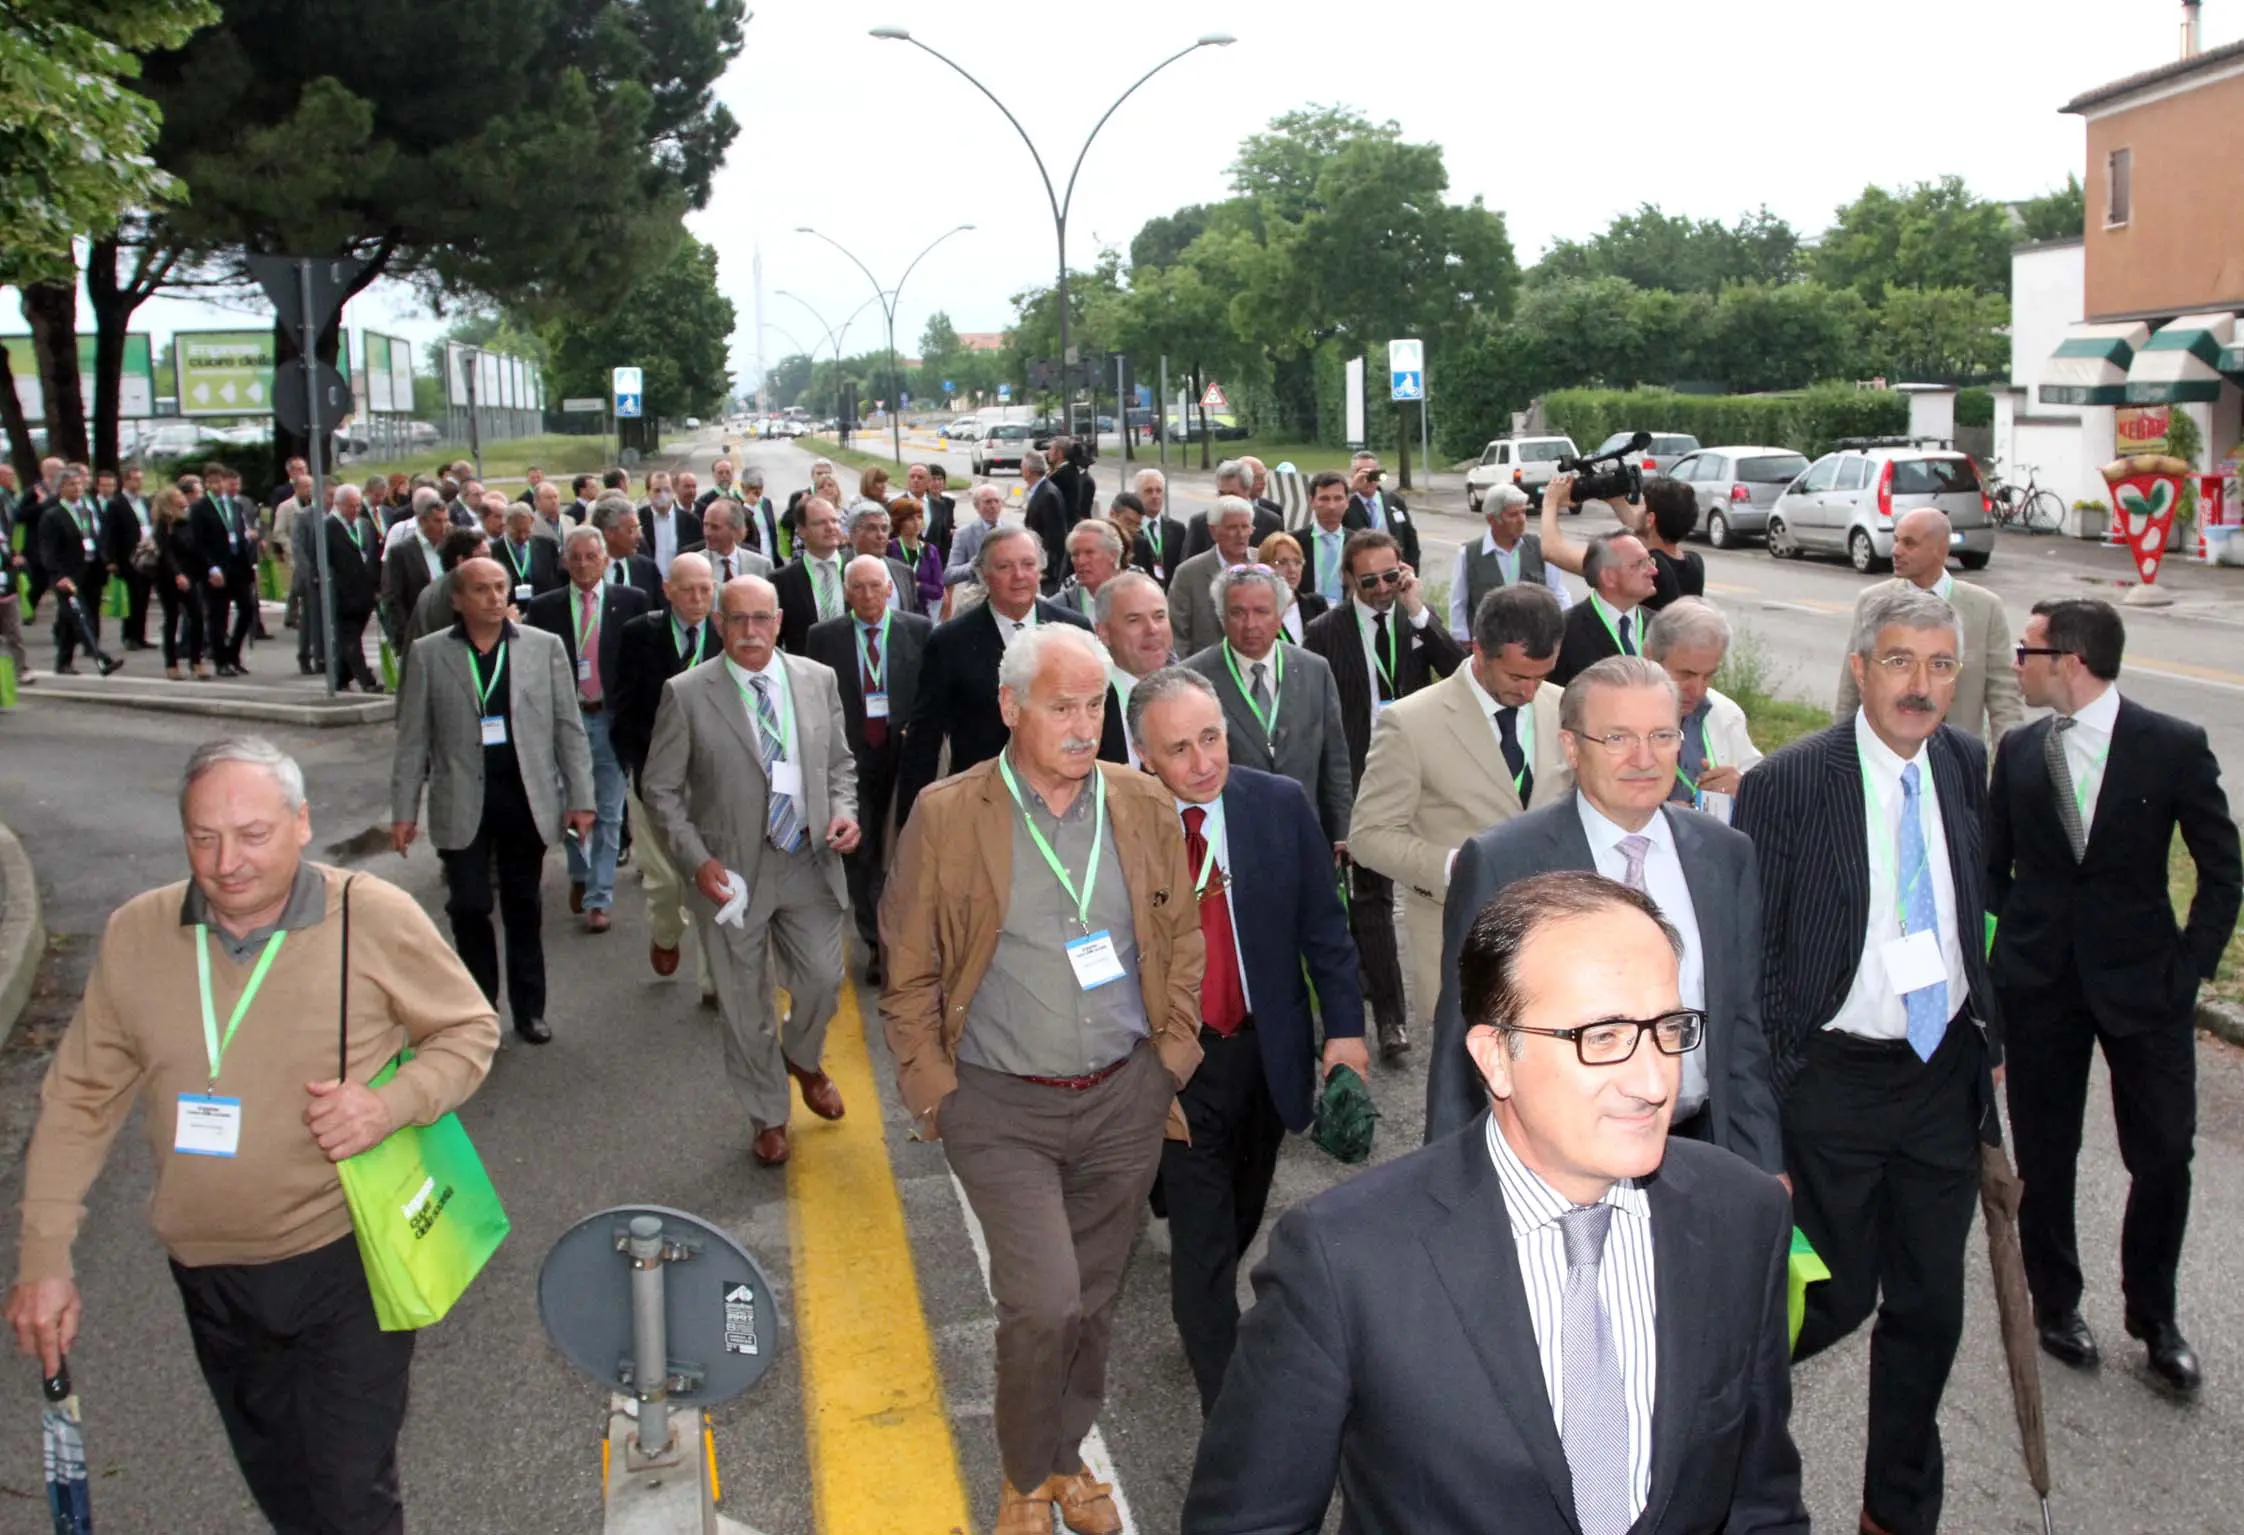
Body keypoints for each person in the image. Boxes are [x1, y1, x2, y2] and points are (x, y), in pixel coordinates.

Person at [1184, 871, 1807, 1535]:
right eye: (1603, 1037)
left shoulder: (1743, 1216)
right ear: (1496, 1057)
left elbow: (1760, 1503)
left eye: (1668, 1028)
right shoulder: (1345, 1261)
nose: (1654, 1081)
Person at [5, 736, 501, 1535]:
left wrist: (389, 1103)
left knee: (349, 1499)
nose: (226, 860)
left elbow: (469, 1030)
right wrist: (44, 1259)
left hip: (345, 1263)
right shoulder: (138, 933)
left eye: (253, 834)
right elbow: (79, 1099)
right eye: (204, 837)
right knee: (287, 1493)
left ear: (302, 823)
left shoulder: (366, 916)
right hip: (210, 1278)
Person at [879, 623, 1204, 1534]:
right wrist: (933, 1087)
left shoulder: (1141, 803)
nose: (1082, 722)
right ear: (1010, 708)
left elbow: (1180, 940)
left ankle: (1066, 1458)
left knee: (1094, 1302)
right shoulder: (950, 814)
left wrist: (1169, 1060)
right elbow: (904, 967)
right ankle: (1025, 1472)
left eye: (1095, 703)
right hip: (999, 1102)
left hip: (1123, 1099)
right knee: (1043, 1300)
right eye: (1063, 704)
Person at [1733, 586, 2000, 1535]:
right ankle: (1719, 1434)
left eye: (1937, 666)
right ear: (1859, 670)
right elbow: (1753, 956)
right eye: (1898, 661)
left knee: (1931, 1309)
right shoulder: (1790, 782)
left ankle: (1897, 1511)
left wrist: (1989, 1037)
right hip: (1832, 1081)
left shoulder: (1968, 764)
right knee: (1832, 1299)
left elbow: (1975, 907)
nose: (1920, 686)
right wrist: (1763, 1104)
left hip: (1939, 1076)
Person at [1992, 597, 2241, 1391]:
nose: (2017, 665)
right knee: (2047, 1153)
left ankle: (2155, 1315)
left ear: (2069, 658)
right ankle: (2055, 1301)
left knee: (2165, 1152)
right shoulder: (2020, 751)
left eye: (2027, 652)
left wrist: (2189, 968)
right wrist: (1998, 975)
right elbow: (1992, 874)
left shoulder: (2171, 745)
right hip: (2041, 986)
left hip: (2146, 987)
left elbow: (2221, 868)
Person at [1423, 654, 1782, 1174]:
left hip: (1705, 1146)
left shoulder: (1725, 855)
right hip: (1561, 1157)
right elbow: (1465, 1038)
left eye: (1662, 736)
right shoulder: (1506, 862)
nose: (1644, 758)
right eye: (1617, 738)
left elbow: (1744, 1026)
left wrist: (1764, 1161)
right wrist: (1455, 1184)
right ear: (1571, 747)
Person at [1127, 665, 1367, 1413]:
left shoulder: (1277, 804)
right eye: (1179, 749)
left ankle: (1202, 1304)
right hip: (1173, 1064)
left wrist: (1347, 1033)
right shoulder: (1117, 825)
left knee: (1238, 1212)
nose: (1202, 761)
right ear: (1142, 758)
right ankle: (1231, 1418)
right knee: (1201, 1254)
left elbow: (1325, 931)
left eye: (1211, 738)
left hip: (1267, 1055)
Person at [643, 573, 860, 1166]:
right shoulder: (686, 693)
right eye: (736, 619)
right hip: (730, 874)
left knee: (820, 979)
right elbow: (659, 790)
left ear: (779, 621)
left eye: (761, 618)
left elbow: (839, 764)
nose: (749, 631)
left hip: (807, 860)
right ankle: (768, 1114)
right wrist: (696, 859)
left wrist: (843, 813)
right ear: (718, 624)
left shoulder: (818, 681)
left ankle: (803, 1057)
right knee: (743, 1004)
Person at [1349, 583, 1574, 1054]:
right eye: (1517, 676)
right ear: (1478, 648)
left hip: (1555, 950)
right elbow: (1369, 836)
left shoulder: (1565, 707)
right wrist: (1455, 865)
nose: (1531, 691)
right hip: (1460, 951)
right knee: (1468, 1104)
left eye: (1542, 675)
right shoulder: (1410, 723)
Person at [392, 557, 596, 1045]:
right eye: (480, 589)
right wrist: (402, 811)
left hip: (525, 798)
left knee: (524, 905)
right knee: (468, 905)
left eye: (500, 588)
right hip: (461, 799)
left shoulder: (543, 648)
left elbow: (569, 727)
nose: (492, 598)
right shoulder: (427, 654)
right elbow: (412, 739)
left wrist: (581, 798)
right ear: (457, 600)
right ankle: (479, 1010)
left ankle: (530, 1011)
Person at [1301, 530, 1467, 1058]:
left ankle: (1456, 1005)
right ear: (1348, 578)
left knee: (1436, 888)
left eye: (1390, 577)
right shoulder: (1324, 632)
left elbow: (1461, 673)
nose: (1380, 589)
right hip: (1363, 779)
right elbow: (1320, 726)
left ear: (1405, 572)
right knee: (1370, 903)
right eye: (1368, 580)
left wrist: (1418, 610)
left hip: (1425, 776)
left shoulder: (1415, 619)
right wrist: (1335, 807)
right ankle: (1391, 1021)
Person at [896, 525, 1094, 828]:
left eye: (1028, 564)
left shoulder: (1075, 631)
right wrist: (913, 821)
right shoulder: (950, 642)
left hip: (1066, 805)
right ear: (984, 575)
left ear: (1040, 569)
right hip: (981, 807)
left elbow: (1100, 717)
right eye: (1004, 567)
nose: (1019, 576)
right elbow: (925, 736)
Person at [808, 555, 932, 987]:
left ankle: (901, 938)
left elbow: (929, 691)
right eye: (857, 587)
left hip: (903, 757)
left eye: (874, 586)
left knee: (898, 848)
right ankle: (875, 942)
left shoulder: (917, 629)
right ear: (846, 592)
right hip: (851, 756)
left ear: (889, 588)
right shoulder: (824, 638)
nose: (866, 595)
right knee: (859, 853)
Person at [525, 525, 650, 933]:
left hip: (609, 720)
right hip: (566, 722)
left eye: (590, 557)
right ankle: (579, 871)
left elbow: (637, 669)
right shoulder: (545, 609)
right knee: (569, 804)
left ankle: (599, 897)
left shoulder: (631, 602)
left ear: (604, 560)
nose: (582, 564)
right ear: (564, 561)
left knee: (610, 812)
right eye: (574, 557)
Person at [611, 553, 725, 996]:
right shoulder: (639, 635)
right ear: (668, 591)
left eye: (705, 589)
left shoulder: (725, 632)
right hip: (654, 780)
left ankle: (715, 979)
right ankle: (665, 932)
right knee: (665, 883)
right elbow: (624, 710)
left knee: (714, 874)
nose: (697, 599)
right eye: (688, 590)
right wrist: (642, 766)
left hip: (714, 780)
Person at [1182, 564, 1352, 848]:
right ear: (1221, 617)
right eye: (1238, 613)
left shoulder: (1314, 670)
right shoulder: (1194, 679)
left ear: (1281, 614)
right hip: (1230, 840)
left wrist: (1341, 832)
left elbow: (1334, 757)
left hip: (1305, 835)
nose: (1250, 625)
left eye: (1261, 611)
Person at [1834, 506, 2024, 744]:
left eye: (1909, 544)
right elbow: (1851, 688)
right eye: (1895, 541)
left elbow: (2004, 696)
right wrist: (1841, 751)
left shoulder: (1985, 608)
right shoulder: (1872, 602)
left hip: (1957, 762)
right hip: (1885, 754)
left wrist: (2011, 761)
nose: (1896, 551)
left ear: (1940, 550)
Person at [1644, 598, 1762, 823]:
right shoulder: (1612, 716)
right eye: (1686, 675)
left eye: (1709, 676)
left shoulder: (1727, 715)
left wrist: (1744, 788)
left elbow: (1767, 786)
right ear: (1649, 656)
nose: (1698, 690)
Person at [1448, 482, 1567, 641]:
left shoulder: (1540, 548)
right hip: (1490, 646)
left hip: (1534, 644)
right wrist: (1462, 641)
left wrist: (1566, 629)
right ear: (1492, 519)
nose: (1521, 520)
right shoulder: (1468, 555)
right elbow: (1458, 604)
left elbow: (1558, 593)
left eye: (1524, 512)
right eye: (1513, 515)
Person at [35, 466, 123, 676]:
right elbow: (48, 550)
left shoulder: (87, 509)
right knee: (78, 615)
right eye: (71, 484)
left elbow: (96, 536)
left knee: (73, 618)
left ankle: (63, 662)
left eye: (79, 484)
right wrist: (59, 575)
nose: (77, 488)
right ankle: (100, 657)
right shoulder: (53, 515)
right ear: (61, 488)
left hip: (90, 569)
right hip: (68, 573)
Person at [1552, 528, 1659, 687]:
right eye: (1639, 564)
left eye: (1650, 561)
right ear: (1609, 577)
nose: (1654, 571)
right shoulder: (1563, 631)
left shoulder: (1660, 626)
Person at [1093, 570, 1176, 768]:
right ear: (1104, 633)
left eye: (1159, 616)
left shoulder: (1194, 692)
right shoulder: (1088, 703)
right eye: (1134, 620)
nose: (1152, 629)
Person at [1167, 496, 1259, 660]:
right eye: (1232, 527)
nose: (1240, 534)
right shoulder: (1188, 574)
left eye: (1245, 527)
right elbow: (1177, 635)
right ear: (1213, 531)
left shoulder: (1264, 564)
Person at [320, 484, 386, 693]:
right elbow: (322, 561)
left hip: (364, 592)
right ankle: (366, 680)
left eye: (358, 506)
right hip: (342, 593)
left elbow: (373, 557)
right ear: (338, 505)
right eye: (350, 506)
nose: (355, 510)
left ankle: (341, 676)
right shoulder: (327, 528)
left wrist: (377, 585)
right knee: (350, 639)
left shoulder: (364, 525)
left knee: (352, 637)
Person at [400, 528, 493, 662]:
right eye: (484, 556)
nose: (491, 562)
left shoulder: (433, 588)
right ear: (461, 560)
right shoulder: (460, 592)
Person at [775, 495, 850, 652]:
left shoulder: (857, 569)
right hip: (806, 671)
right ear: (802, 531)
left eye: (834, 521)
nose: (830, 527)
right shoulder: (781, 581)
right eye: (820, 523)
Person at [380, 490, 451, 654]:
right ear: (422, 521)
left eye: (446, 521)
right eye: (438, 521)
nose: (444, 527)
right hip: (418, 631)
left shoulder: (451, 547)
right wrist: (403, 635)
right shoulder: (401, 552)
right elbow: (392, 597)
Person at [153, 486, 210, 682]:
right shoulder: (165, 523)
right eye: (178, 496)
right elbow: (166, 552)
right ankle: (171, 663)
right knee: (172, 618)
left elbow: (197, 547)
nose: (182, 498)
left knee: (197, 616)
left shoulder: (188, 519)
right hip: (169, 577)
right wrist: (177, 574)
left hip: (191, 574)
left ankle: (196, 660)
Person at [1180, 461, 1282, 560]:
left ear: (1247, 491)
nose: (1226, 500)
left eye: (1232, 494)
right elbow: (1187, 569)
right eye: (1222, 494)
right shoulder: (1200, 523)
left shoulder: (1271, 523)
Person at [103, 463, 156, 650]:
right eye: (135, 479)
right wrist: (111, 560)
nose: (139, 483)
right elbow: (109, 533)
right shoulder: (116, 504)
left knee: (143, 597)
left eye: (141, 479)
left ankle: (141, 635)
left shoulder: (144, 501)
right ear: (125, 481)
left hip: (146, 554)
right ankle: (129, 635)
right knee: (132, 597)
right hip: (128, 556)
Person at [844, 503, 924, 615]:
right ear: (853, 533)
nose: (880, 535)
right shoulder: (839, 570)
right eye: (872, 528)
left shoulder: (904, 571)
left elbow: (914, 615)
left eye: (884, 528)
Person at [1344, 450, 1420, 568]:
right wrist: (1351, 491)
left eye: (1372, 473)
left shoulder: (1393, 501)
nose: (1367, 479)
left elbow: (1410, 538)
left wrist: (1411, 571)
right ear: (1351, 475)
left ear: (1379, 475)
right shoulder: (1345, 504)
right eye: (1360, 473)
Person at [594, 495, 665, 611]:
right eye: (632, 530)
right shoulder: (586, 569)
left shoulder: (647, 568)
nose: (639, 536)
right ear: (609, 533)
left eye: (639, 528)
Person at [1295, 471, 1354, 608]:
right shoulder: (1294, 543)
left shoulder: (1359, 544)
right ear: (1312, 502)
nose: (1331, 506)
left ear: (1347, 502)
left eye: (1338, 498)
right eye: (1324, 499)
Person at [686, 496, 773, 585]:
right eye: (706, 525)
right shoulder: (690, 566)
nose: (707, 533)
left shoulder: (761, 566)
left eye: (715, 527)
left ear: (735, 529)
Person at [1256, 531, 1323, 644]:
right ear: (1264, 567)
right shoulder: (1257, 613)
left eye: (1297, 562)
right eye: (1282, 562)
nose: (1292, 569)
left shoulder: (1316, 605)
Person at [1021, 447, 1073, 592]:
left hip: (1047, 570)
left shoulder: (1047, 494)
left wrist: (1047, 569)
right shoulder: (1039, 490)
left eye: (1022, 466)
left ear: (1027, 469)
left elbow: (1054, 535)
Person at [1056, 516, 1125, 621]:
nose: (1081, 561)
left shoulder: (1138, 599)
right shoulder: (1057, 608)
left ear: (1113, 555)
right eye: (1075, 554)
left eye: (1089, 553)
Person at [943, 481, 1007, 590]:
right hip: (980, 597)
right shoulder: (964, 534)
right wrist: (975, 565)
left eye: (996, 501)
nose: (993, 506)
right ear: (976, 506)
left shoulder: (1015, 530)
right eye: (988, 502)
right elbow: (950, 574)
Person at [497, 500, 564, 602]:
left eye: (526, 531)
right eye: (517, 532)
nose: (522, 536)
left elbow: (557, 580)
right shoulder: (494, 551)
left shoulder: (547, 546)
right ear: (505, 525)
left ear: (532, 521)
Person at [637, 474, 703, 576]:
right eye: (657, 491)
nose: (663, 495)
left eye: (667, 490)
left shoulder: (690, 521)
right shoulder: (639, 519)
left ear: (674, 491)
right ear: (648, 493)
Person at [889, 496, 945, 611]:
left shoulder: (930, 550)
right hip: (896, 610)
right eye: (910, 519)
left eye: (919, 518)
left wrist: (918, 586)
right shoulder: (889, 548)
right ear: (899, 522)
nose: (916, 522)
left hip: (922, 612)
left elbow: (938, 590)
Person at [1135, 467, 1185, 583]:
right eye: (1148, 491)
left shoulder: (1178, 530)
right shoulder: (1130, 530)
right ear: (1137, 495)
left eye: (1159, 491)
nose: (1155, 496)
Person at [1105, 489, 1161, 581]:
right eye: (1129, 522)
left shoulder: (1141, 545)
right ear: (1112, 514)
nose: (1132, 529)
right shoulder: (1092, 538)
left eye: (1137, 525)